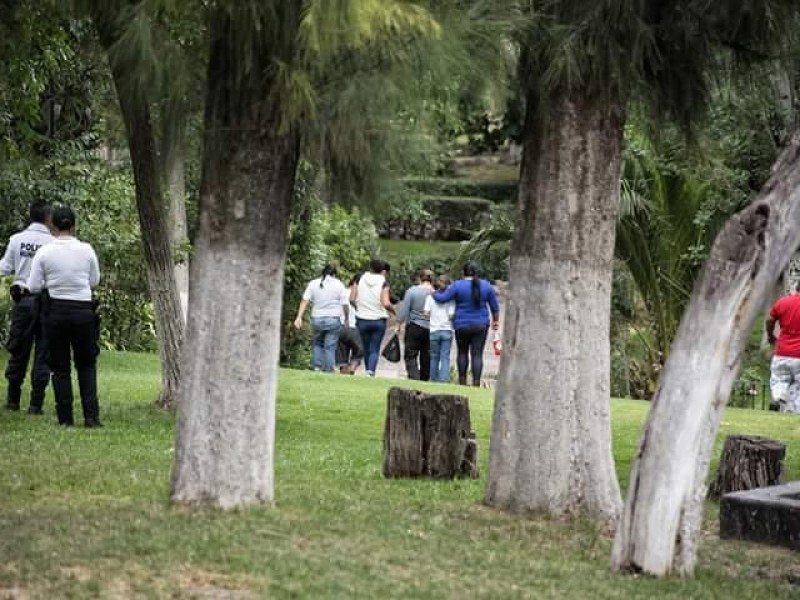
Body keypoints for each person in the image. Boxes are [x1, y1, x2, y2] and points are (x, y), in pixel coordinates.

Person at [27, 206, 102, 427]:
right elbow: (94, 281)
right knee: (86, 364)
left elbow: (33, 286)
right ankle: (91, 416)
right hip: (82, 312)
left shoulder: (45, 252)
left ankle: (65, 418)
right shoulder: (87, 250)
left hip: (55, 312)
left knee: (60, 367)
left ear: (52, 226)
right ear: (74, 226)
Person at [1, 200, 54, 413]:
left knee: (18, 350)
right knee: (43, 352)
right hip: (46, 302)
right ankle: (35, 404)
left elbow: (5, 267)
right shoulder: (53, 243)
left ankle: (13, 400)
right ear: (49, 218)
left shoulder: (17, 240)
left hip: (23, 301)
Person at [432, 261, 499, 386]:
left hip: (461, 324)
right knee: (477, 354)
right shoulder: (486, 286)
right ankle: (476, 383)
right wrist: (496, 321)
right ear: (476, 272)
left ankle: (462, 382)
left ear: (464, 273)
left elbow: (443, 299)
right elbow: (495, 307)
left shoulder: (457, 285)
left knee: (462, 353)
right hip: (481, 324)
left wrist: (433, 292)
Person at [293, 264, 349, 373]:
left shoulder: (313, 283)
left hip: (317, 318)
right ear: (334, 274)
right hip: (333, 319)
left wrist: (299, 317)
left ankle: (317, 367)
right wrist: (346, 318)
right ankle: (329, 370)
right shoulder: (338, 285)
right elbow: (345, 304)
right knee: (330, 346)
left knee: (317, 343)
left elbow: (305, 300)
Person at [352, 259, 395, 377]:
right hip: (378, 320)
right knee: (374, 348)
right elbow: (385, 303)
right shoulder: (383, 283)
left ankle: (368, 370)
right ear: (383, 271)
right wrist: (394, 311)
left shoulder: (359, 279)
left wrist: (359, 308)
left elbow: (352, 298)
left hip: (362, 318)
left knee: (365, 347)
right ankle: (370, 372)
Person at [766, 282, 800, 413]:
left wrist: (770, 336)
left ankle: (778, 397)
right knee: (798, 389)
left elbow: (769, 320)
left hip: (782, 352)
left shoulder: (783, 302)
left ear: (796, 288)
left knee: (779, 380)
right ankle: (793, 411)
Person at [396, 269, 434, 380]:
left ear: (419, 278)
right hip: (431, 328)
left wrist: (398, 323)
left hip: (414, 326)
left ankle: (414, 377)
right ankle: (424, 379)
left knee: (410, 355)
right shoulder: (435, 293)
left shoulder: (412, 291)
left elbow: (404, 309)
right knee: (426, 356)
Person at [424, 274, 455, 383]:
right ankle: (444, 380)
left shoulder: (430, 297)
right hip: (447, 329)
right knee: (445, 357)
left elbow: (426, 313)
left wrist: (433, 317)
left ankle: (433, 379)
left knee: (434, 357)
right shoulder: (451, 299)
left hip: (434, 330)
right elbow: (451, 315)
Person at [336, 273, 364, 375]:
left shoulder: (343, 292)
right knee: (359, 351)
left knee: (342, 354)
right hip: (354, 327)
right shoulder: (360, 295)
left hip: (341, 327)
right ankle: (352, 367)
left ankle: (344, 371)